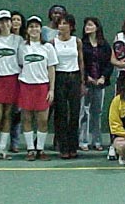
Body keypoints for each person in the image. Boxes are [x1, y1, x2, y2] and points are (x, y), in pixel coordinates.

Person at [18, 15, 58, 161]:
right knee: (27, 119)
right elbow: (20, 65)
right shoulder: (22, 47)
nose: (34, 29)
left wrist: (51, 89)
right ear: (27, 30)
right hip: (25, 86)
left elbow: (51, 68)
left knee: (42, 120)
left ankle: (40, 149)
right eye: (31, 27)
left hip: (42, 87)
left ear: (41, 29)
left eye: (36, 26)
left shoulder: (48, 47)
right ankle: (30, 149)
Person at [0, 10, 24, 161]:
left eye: (7, 21)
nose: (5, 24)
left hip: (12, 80)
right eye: (1, 21)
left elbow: (21, 61)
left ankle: (2, 149)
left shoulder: (18, 40)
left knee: (8, 115)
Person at [52, 14, 85, 159]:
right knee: (61, 113)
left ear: (71, 26)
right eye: (60, 23)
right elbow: (51, 64)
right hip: (59, 77)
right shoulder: (53, 42)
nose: (62, 26)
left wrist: (82, 82)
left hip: (74, 77)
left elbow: (81, 61)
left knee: (74, 113)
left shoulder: (76, 41)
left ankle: (73, 146)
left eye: (65, 23)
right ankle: (63, 147)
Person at [78, 17, 113, 152]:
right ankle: (83, 141)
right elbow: (80, 62)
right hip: (86, 83)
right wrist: (87, 77)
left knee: (96, 113)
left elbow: (109, 64)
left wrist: (103, 77)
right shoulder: (82, 44)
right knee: (84, 112)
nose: (88, 27)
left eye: (90, 25)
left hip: (100, 84)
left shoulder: (104, 45)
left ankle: (97, 141)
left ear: (97, 27)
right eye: (86, 25)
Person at [8, 10, 27, 153]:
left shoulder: (25, 41)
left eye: (18, 20)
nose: (15, 22)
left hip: (20, 81)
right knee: (0, 113)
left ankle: (14, 142)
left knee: (17, 113)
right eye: (13, 19)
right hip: (3, 80)